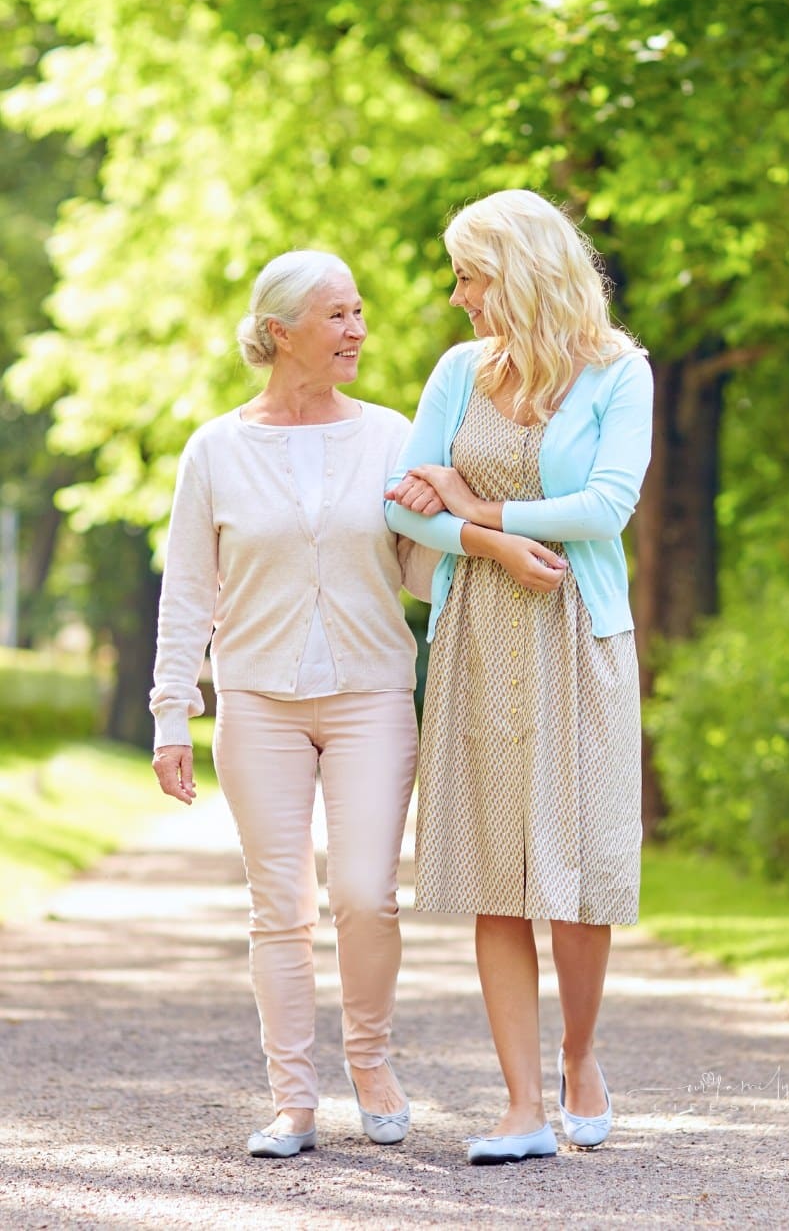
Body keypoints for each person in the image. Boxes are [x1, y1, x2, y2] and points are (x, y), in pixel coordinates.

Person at [384, 189, 653, 1165]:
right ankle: (521, 1107)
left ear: (523, 272)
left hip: (582, 636)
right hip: (479, 634)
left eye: (470, 275)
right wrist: (478, 542)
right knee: (499, 876)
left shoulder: (621, 373)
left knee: (576, 876)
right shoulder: (460, 372)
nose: (457, 296)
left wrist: (478, 508)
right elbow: (404, 501)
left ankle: (583, 1063)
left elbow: (606, 508)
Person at [151, 249, 432, 1158]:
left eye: (359, 312)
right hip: (258, 701)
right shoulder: (216, 449)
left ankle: (372, 1062)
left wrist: (450, 506)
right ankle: (293, 1101)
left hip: (371, 691)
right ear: (281, 334)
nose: (359, 330)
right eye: (339, 316)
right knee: (279, 907)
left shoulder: (392, 435)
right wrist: (170, 713)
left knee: (364, 894)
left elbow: (422, 576)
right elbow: (188, 591)